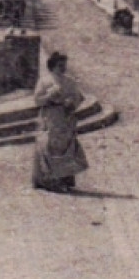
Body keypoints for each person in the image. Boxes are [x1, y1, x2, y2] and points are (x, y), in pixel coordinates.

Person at [32, 52, 88, 193]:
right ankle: (48, 179)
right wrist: (49, 96)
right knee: (51, 145)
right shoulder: (44, 81)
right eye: (60, 65)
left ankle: (64, 178)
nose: (63, 68)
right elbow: (37, 100)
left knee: (66, 145)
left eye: (64, 65)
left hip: (66, 117)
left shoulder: (70, 81)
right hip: (50, 116)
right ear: (52, 66)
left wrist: (72, 102)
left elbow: (79, 97)